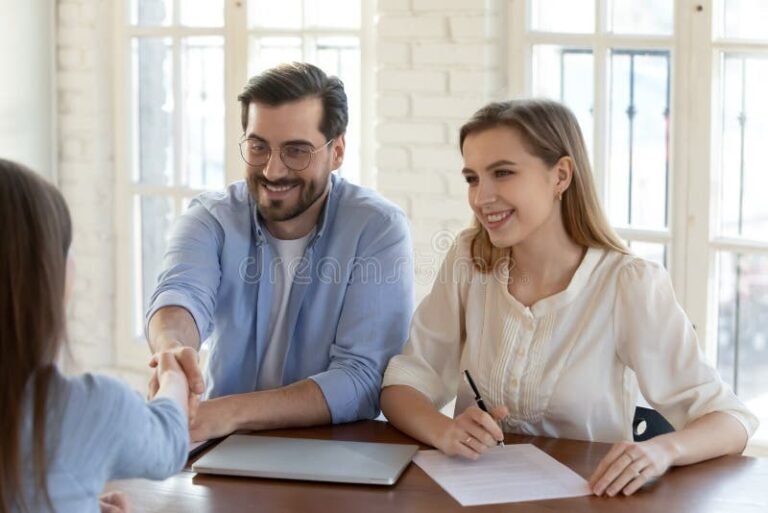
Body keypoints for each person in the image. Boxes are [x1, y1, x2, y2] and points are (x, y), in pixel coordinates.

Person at [380, 99, 758, 497]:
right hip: (473, 497)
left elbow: (730, 418)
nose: (481, 197)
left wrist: (662, 450)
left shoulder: (628, 284)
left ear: (560, 175)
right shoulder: (469, 258)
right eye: (472, 179)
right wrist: (445, 430)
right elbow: (405, 382)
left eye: (502, 173)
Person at [146, 62, 413, 442]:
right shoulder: (211, 217)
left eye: (296, 151)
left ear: (337, 151)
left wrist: (228, 413)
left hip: (334, 445)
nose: (273, 170)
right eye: (259, 147)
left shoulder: (377, 228)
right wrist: (173, 351)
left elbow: (362, 378)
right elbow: (180, 294)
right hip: (227, 441)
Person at [0, 159, 190, 513]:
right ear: (43, 278)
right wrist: (173, 376)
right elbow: (170, 442)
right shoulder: (87, 408)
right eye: (66, 247)